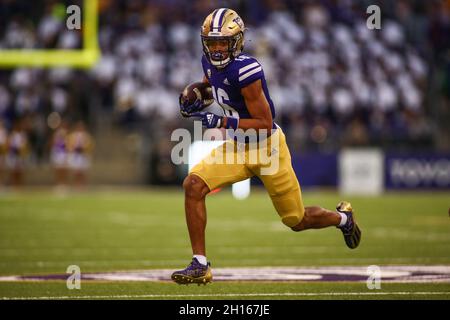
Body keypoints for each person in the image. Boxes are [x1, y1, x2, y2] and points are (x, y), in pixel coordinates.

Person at [172, 8, 361, 285]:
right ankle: (200, 264)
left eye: (222, 43)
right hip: (236, 147)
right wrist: (197, 94)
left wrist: (220, 120)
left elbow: (263, 122)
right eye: (211, 43)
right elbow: (212, 84)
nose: (216, 49)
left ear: (236, 41)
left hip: (267, 148)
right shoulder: (208, 62)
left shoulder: (247, 70)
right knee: (193, 185)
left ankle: (342, 219)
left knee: (296, 220)